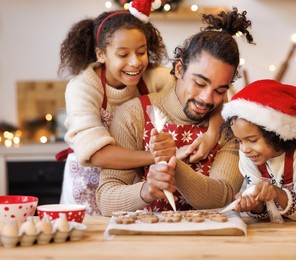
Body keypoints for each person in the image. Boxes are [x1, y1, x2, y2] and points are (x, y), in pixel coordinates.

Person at [57, 0, 221, 215]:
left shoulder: (154, 77)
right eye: (123, 55)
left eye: (141, 52)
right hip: (88, 183)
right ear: (101, 54)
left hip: (128, 184)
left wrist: (212, 133)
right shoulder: (83, 87)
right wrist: (162, 156)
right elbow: (97, 154)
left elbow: (213, 87)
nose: (135, 62)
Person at [96, 7, 255, 216]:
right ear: (179, 69)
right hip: (145, 243)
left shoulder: (230, 126)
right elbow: (106, 200)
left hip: (210, 244)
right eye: (199, 83)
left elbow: (222, 196)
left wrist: (173, 164)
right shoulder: (133, 115)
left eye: (219, 90)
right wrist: (145, 191)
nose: (207, 99)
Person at [221, 79, 296, 222]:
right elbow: (262, 212)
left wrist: (276, 193)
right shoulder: (249, 156)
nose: (244, 149)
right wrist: (252, 204)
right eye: (239, 140)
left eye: (252, 140)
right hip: (277, 231)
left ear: (275, 134)